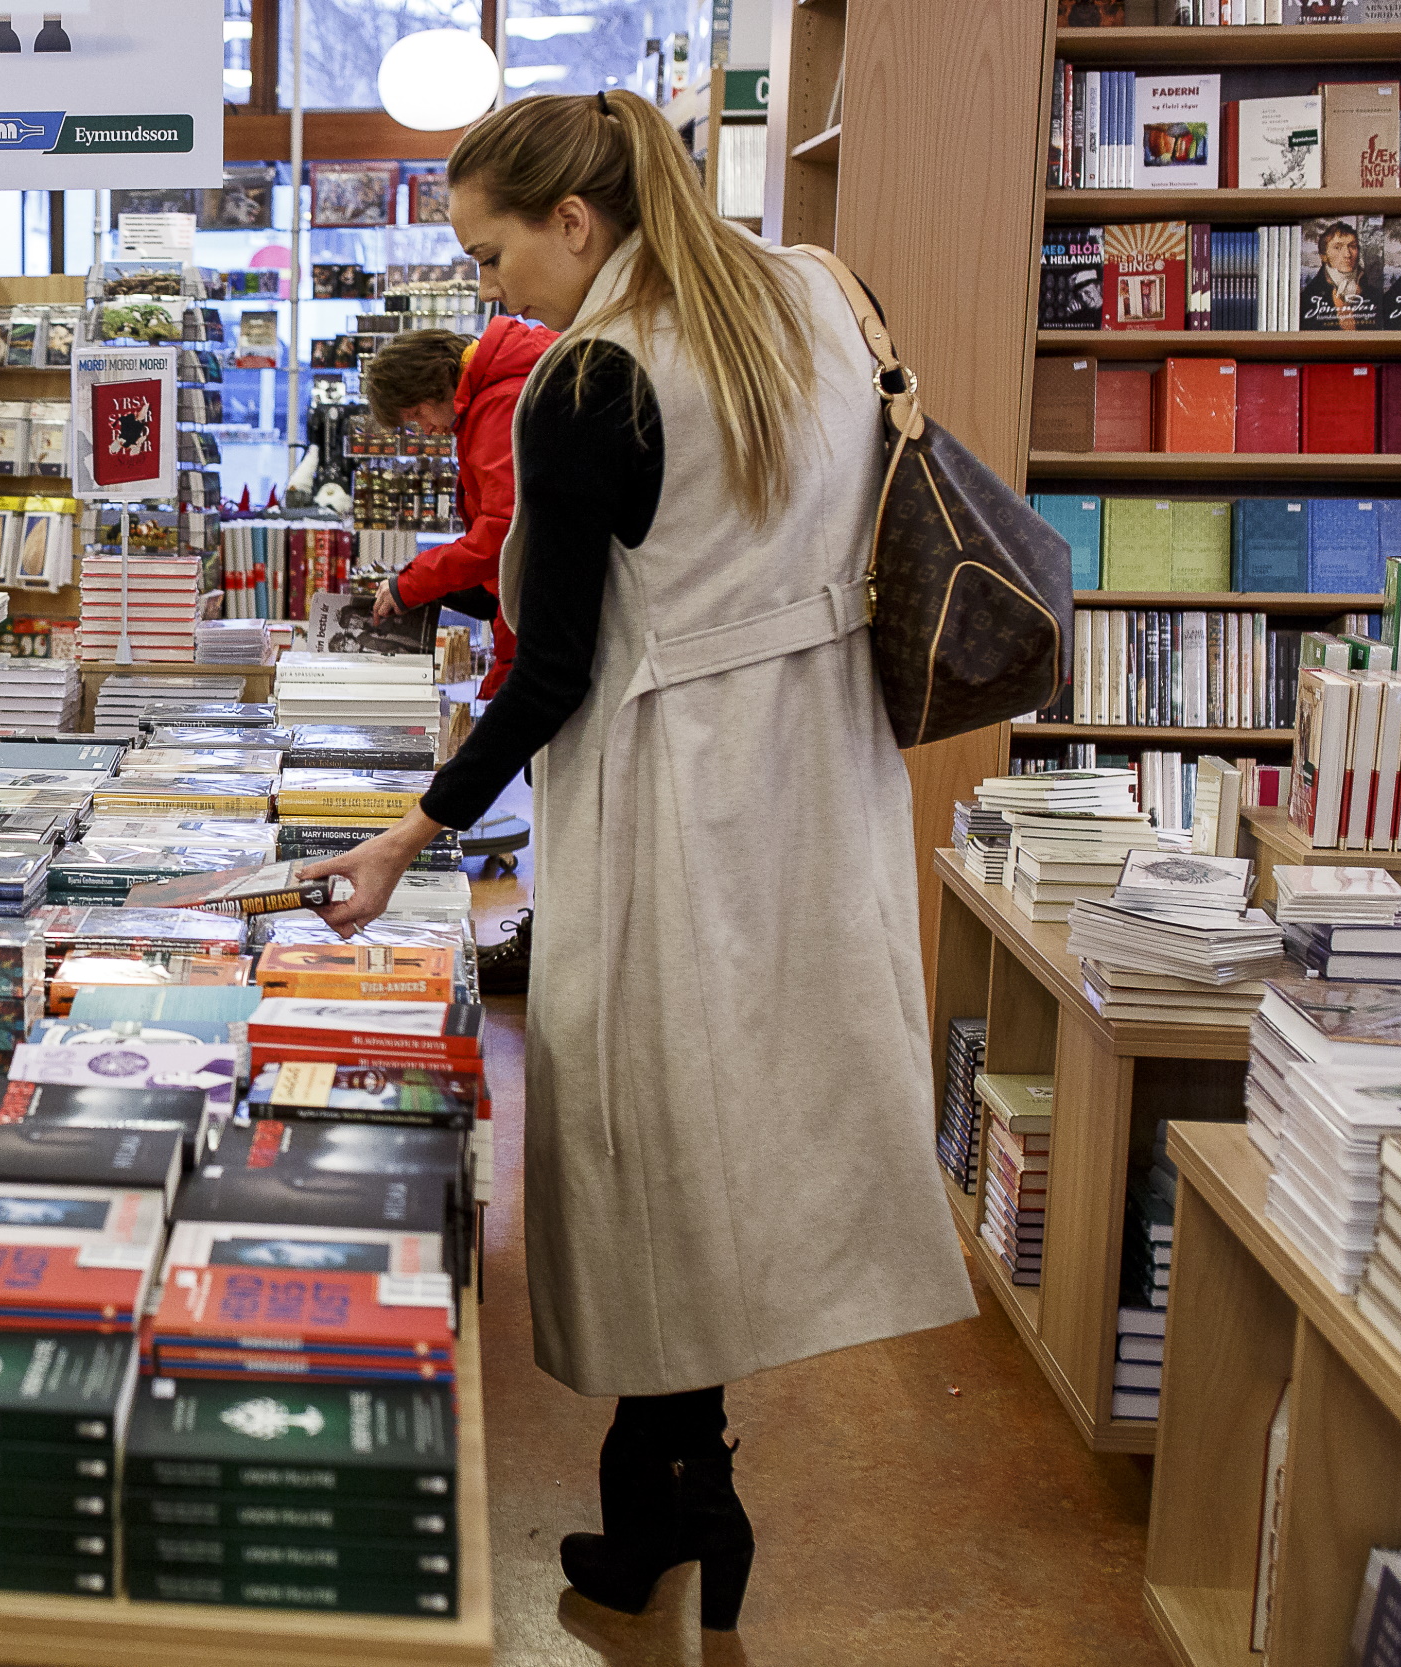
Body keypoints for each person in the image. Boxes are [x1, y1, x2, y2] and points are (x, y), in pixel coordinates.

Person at [302, 90, 976, 1632]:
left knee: (643, 1137)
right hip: (823, 772)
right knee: (745, 1133)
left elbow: (549, 669)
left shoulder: (587, 381)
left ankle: (674, 1497)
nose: (486, 293)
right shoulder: (815, 286)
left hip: (674, 783)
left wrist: (415, 829)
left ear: (575, 225)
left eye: (487, 258)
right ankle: (686, 1487)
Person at [358, 315, 555, 699]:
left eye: (416, 415)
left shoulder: (497, 404)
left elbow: (504, 531)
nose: (424, 430)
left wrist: (414, 584)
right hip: (531, 603)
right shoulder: (496, 390)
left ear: (432, 384)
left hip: (538, 611)